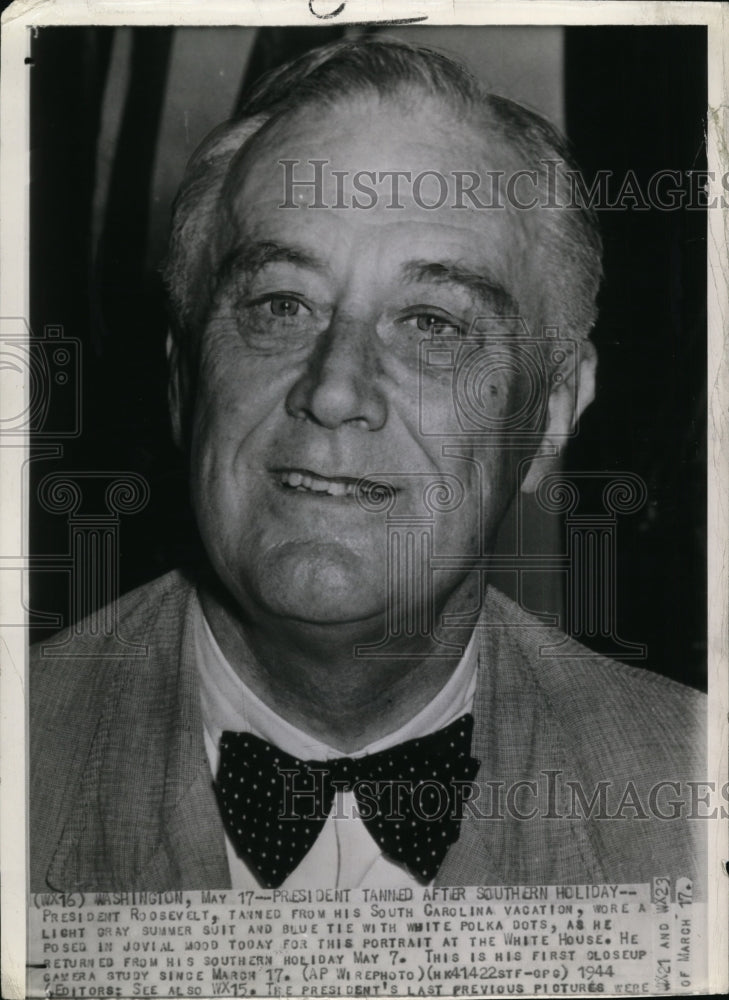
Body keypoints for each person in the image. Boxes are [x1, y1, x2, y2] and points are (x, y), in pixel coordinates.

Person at [30, 38, 706, 893]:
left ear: (551, 415)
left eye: (432, 323)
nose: (337, 389)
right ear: (182, 379)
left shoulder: (688, 799)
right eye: (282, 304)